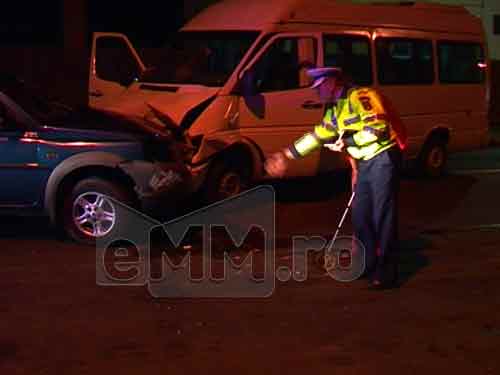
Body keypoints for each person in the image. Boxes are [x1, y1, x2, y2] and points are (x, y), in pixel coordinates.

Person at [265, 67, 406, 289]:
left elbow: (378, 128)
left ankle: (387, 271)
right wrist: (287, 155)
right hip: (366, 162)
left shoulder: (362, 96)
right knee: (361, 216)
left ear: (332, 82)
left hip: (382, 159)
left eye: (320, 87)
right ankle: (368, 265)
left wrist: (347, 143)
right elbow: (318, 135)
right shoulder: (335, 108)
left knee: (382, 216)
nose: (317, 93)